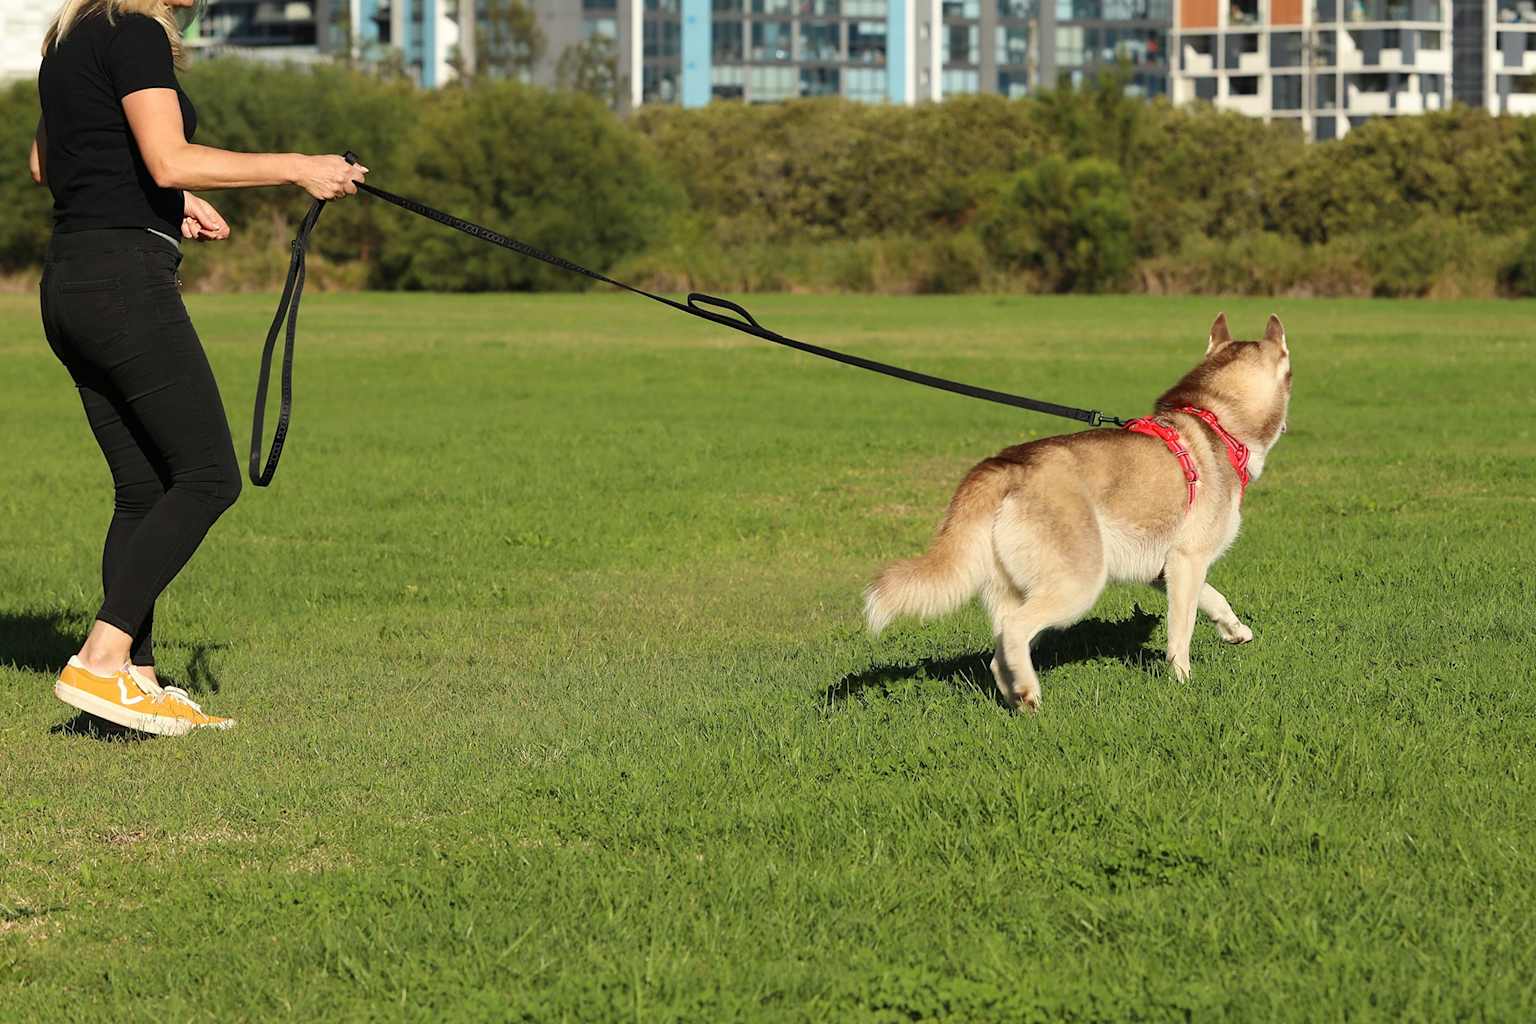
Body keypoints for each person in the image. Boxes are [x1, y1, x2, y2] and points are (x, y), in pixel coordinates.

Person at [31, 0, 367, 736]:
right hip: (122, 281)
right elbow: (167, 155)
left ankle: (130, 684)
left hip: (69, 282)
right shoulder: (138, 30)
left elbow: (47, 163)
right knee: (209, 476)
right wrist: (298, 168)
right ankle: (100, 655)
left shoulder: (67, 38)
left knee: (142, 489)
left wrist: (169, 201)